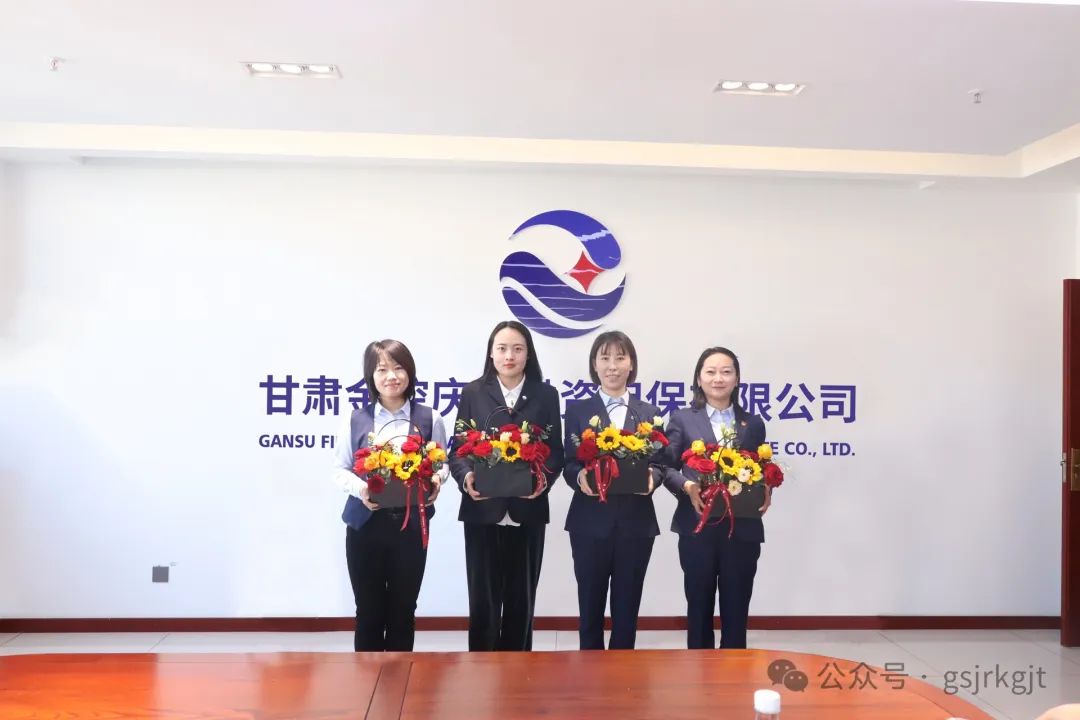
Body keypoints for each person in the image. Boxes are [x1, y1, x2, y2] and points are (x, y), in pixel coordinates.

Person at [448, 320, 565, 651]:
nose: (509, 356)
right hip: (482, 508)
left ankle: (518, 668)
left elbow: (556, 452)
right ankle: (481, 666)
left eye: (517, 349)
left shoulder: (545, 395)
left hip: (527, 508)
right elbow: (458, 449)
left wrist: (542, 480)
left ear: (528, 354)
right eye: (502, 349)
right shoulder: (473, 392)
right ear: (491, 353)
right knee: (482, 599)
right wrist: (466, 477)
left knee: (521, 599)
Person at [330, 339, 446, 652]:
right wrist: (362, 489)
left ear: (410, 372)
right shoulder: (355, 419)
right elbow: (339, 470)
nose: (391, 376)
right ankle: (367, 679)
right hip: (365, 525)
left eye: (398, 368)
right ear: (371, 376)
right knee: (368, 611)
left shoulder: (430, 418)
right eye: (382, 370)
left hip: (410, 527)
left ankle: (400, 680)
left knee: (403, 611)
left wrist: (437, 478)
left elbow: (441, 463)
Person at [663, 346, 772, 650]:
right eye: (710, 372)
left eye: (726, 372)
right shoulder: (683, 419)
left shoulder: (753, 423)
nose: (718, 379)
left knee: (737, 605)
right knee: (698, 604)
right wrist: (687, 486)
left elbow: (759, 469)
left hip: (743, 527)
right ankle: (699, 667)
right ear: (699, 378)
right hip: (697, 525)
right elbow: (666, 467)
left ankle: (734, 668)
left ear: (737, 379)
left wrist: (766, 488)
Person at [563, 330, 665, 650]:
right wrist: (580, 478)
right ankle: (589, 667)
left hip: (636, 523)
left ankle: (623, 670)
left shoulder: (649, 413)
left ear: (631, 364)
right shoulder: (578, 411)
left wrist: (652, 479)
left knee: (627, 608)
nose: (612, 366)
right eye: (605, 358)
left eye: (620, 358)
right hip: (589, 522)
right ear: (594, 364)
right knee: (589, 606)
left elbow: (661, 463)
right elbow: (568, 462)